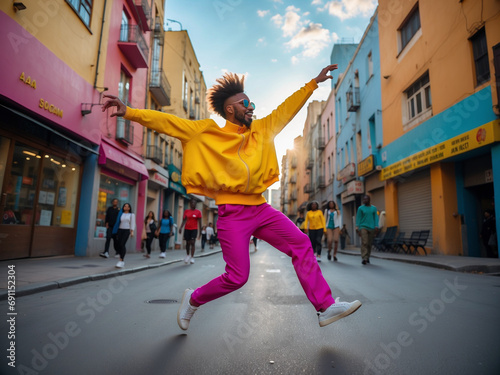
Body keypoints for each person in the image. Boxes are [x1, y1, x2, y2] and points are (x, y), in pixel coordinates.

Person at [102, 64, 362, 331]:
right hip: (232, 213)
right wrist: (129, 112)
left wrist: (312, 84)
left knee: (301, 243)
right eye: (245, 103)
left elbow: (286, 109)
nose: (251, 107)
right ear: (230, 109)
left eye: (251, 102)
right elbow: (168, 123)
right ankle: (193, 299)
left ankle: (325, 307)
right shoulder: (207, 132)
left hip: (261, 208)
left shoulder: (262, 129)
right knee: (237, 277)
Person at [356, 195, 379, 265]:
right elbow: (358, 218)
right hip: (363, 227)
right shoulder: (360, 208)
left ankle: (368, 257)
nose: (364, 200)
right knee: (364, 242)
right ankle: (364, 258)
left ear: (369, 200)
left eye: (366, 199)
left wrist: (376, 226)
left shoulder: (373, 208)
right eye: (364, 199)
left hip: (372, 227)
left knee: (369, 244)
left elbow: (376, 217)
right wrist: (357, 226)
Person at [112, 203, 136, 268]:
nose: (126, 207)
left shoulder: (131, 215)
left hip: (126, 230)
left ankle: (121, 260)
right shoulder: (121, 214)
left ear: (129, 208)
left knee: (122, 244)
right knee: (119, 244)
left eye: (128, 206)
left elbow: (133, 223)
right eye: (125, 206)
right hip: (120, 230)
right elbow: (117, 222)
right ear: (123, 207)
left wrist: (132, 231)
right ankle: (121, 258)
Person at [179, 198, 202, 264]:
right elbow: (184, 220)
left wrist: (200, 232)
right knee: (187, 243)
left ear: (195, 204)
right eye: (192, 203)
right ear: (190, 204)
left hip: (194, 229)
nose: (193, 204)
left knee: (192, 242)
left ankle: (192, 257)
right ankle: (187, 255)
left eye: (194, 203)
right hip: (187, 229)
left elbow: (200, 222)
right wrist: (181, 227)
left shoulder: (198, 212)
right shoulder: (186, 211)